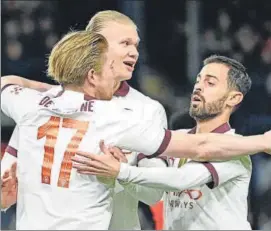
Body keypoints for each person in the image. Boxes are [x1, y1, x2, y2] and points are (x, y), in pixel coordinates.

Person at [1, 21, 271, 231]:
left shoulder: (29, 106)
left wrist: (56, 94)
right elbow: (200, 146)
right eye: (111, 67)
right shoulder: (113, 116)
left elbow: (6, 83)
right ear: (92, 75)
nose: (119, 73)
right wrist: (262, 141)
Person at [1, 10, 169, 230]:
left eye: (136, 45)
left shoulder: (147, 110)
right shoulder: (43, 107)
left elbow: (154, 194)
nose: (134, 52)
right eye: (125, 43)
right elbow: (7, 184)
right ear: (93, 46)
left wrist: (122, 173)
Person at [70, 55, 270, 230]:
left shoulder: (234, 148)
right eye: (198, 80)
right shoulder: (178, 138)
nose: (198, 86)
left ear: (233, 98)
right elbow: (152, 196)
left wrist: (122, 171)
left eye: (210, 83)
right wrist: (119, 172)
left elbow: (181, 180)